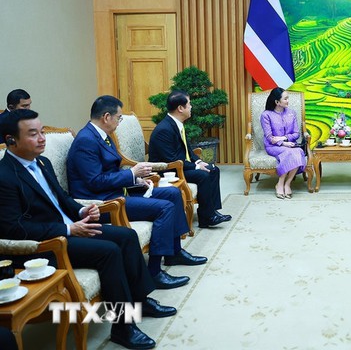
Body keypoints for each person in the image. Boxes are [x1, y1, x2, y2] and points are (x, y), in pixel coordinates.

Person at [0, 109, 177, 350]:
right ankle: (123, 327)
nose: (42, 138)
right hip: (46, 244)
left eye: (42, 132)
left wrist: (83, 211)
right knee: (108, 252)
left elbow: (62, 198)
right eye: (33, 134)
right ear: (11, 140)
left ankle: (140, 302)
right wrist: (69, 229)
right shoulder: (4, 176)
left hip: (70, 227)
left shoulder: (42, 162)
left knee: (126, 236)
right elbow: (14, 228)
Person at [66, 95, 206, 290]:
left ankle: (174, 253)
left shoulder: (101, 135)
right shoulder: (86, 141)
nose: (119, 122)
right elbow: (95, 182)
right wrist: (131, 173)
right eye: (119, 118)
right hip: (102, 203)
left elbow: (109, 172)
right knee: (164, 208)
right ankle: (155, 273)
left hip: (117, 191)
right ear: (106, 117)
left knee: (172, 194)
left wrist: (135, 180)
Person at [148, 90, 231, 228]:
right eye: (189, 104)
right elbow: (171, 159)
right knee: (203, 175)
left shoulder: (177, 123)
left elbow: (188, 150)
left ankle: (210, 212)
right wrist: (196, 167)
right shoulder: (164, 130)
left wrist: (198, 161)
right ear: (180, 108)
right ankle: (208, 216)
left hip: (180, 165)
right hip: (168, 171)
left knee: (213, 169)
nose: (191, 107)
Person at [261, 88, 306, 199]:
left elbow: (296, 134)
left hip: (291, 145)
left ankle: (287, 183)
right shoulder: (266, 115)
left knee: (298, 151)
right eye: (285, 99)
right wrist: (284, 143)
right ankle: (280, 184)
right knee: (290, 153)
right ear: (277, 102)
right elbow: (270, 138)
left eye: (287, 98)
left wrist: (283, 138)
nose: (288, 101)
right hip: (273, 146)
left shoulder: (291, 113)